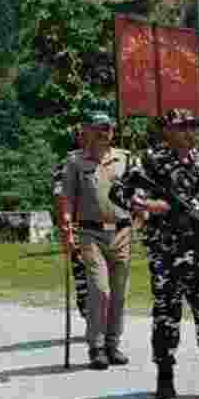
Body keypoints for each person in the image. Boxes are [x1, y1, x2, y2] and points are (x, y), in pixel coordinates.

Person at [111, 107, 199, 399]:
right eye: (183, 127)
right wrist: (147, 205)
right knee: (167, 316)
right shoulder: (150, 162)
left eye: (193, 126)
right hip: (167, 253)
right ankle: (165, 374)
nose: (190, 133)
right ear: (167, 131)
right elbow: (119, 192)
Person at [61, 111, 137, 370]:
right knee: (99, 288)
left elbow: (137, 192)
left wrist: (141, 218)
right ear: (89, 132)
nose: (105, 132)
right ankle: (96, 345)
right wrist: (67, 228)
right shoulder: (75, 162)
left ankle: (113, 344)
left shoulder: (125, 160)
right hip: (90, 232)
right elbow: (68, 198)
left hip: (122, 232)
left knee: (119, 292)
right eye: (99, 128)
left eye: (108, 128)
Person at [51, 130, 86, 322]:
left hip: (104, 227)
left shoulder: (100, 160)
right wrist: (66, 228)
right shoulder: (65, 165)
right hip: (77, 226)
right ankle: (91, 317)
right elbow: (59, 197)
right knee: (83, 275)